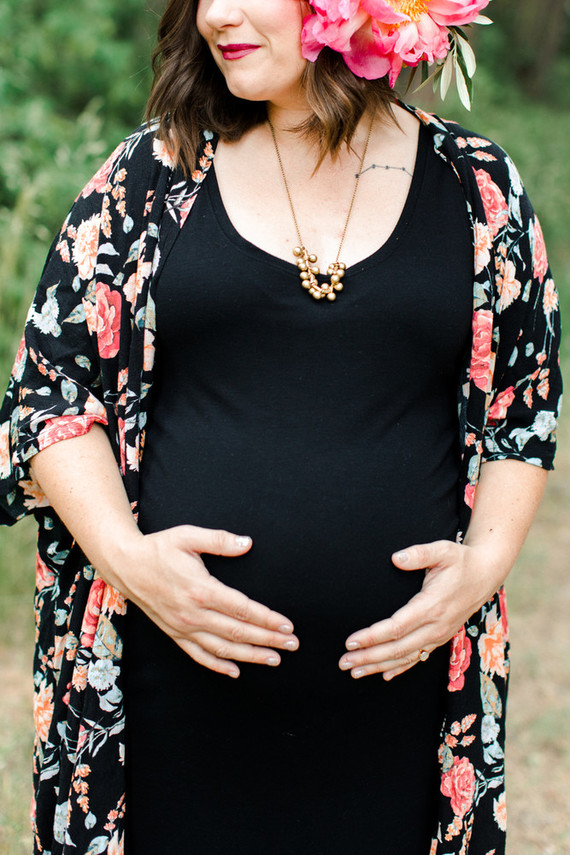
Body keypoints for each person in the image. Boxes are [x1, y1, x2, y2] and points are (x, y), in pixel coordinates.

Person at [0, 1, 562, 853]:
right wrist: (128, 558)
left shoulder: (475, 186)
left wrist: (484, 563)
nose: (215, 14)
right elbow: (49, 393)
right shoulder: (152, 177)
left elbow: (524, 403)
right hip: (164, 719)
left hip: (401, 725)